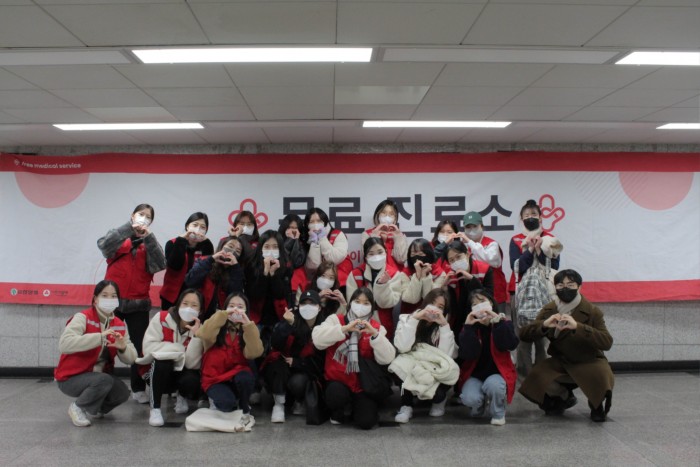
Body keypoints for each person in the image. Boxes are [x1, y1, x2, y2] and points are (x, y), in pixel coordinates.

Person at [518, 270, 614, 422]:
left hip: (590, 360)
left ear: (579, 287)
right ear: (555, 287)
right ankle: (563, 396)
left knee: (601, 375)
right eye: (560, 285)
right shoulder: (549, 309)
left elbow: (607, 342)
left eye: (570, 285)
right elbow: (524, 334)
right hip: (561, 361)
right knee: (536, 375)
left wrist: (578, 327)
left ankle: (596, 404)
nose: (565, 288)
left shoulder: (592, 311)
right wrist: (544, 325)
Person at [96, 203, 165, 403]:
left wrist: (148, 238)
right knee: (106, 345)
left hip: (138, 303)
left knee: (138, 346)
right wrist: (128, 229)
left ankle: (138, 388)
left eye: (148, 217)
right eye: (141, 214)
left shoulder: (149, 242)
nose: (144, 218)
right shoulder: (119, 236)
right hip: (112, 302)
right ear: (133, 216)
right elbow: (103, 246)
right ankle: (103, 387)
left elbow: (160, 264)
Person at [55, 280, 138, 427]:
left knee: (122, 393)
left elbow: (132, 358)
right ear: (95, 299)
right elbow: (64, 344)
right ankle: (78, 407)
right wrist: (99, 338)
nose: (109, 299)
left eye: (113, 296)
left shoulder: (119, 324)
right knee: (104, 380)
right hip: (70, 378)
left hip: (98, 376)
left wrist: (123, 348)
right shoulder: (83, 317)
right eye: (104, 295)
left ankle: (96, 407)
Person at [312, 287, 396, 430]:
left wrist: (375, 335)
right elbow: (317, 340)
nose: (361, 306)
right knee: (336, 395)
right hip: (338, 380)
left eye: (366, 303)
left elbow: (387, 358)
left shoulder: (376, 327)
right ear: (350, 303)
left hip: (363, 384)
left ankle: (356, 408)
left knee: (366, 422)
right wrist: (344, 329)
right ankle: (338, 410)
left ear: (371, 307)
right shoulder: (336, 319)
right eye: (357, 301)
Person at [508, 199, 563, 380]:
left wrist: (540, 250)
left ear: (540, 217)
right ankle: (524, 378)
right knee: (523, 335)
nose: (530, 217)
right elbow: (517, 267)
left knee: (543, 335)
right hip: (520, 292)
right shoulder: (516, 240)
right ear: (521, 219)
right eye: (526, 215)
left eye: (534, 214)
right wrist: (530, 249)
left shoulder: (550, 239)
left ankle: (543, 377)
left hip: (545, 291)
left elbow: (554, 266)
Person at [137, 289, 205, 427]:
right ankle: (155, 409)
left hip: (181, 371)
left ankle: (182, 395)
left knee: (192, 380)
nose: (188, 308)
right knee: (163, 362)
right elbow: (149, 348)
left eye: (194, 305)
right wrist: (179, 349)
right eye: (185, 303)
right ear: (178, 304)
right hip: (155, 371)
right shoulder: (161, 318)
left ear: (200, 311)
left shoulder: (200, 328)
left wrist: (196, 337)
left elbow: (191, 364)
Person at [392, 289, 458, 423]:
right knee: (399, 367)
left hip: (433, 368)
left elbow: (446, 357)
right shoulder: (407, 319)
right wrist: (415, 319)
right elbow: (402, 347)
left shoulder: (443, 326)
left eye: (440, 307)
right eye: (432, 303)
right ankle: (406, 405)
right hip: (412, 365)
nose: (435, 309)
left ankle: (439, 401)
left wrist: (444, 325)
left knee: (439, 393)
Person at [262, 290, 329, 423]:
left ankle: (299, 400)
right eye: (304, 303)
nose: (308, 307)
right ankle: (279, 404)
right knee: (278, 366)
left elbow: (320, 362)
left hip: (305, 370)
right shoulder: (291, 319)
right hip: (283, 365)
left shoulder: (324, 326)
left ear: (319, 307)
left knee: (298, 382)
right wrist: (288, 324)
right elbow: (276, 343)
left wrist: (298, 362)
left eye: (312, 303)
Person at [197, 292, 264, 417]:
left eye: (240, 307)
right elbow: (204, 335)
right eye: (231, 306)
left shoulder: (248, 328)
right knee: (226, 404)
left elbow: (254, 353)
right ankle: (217, 400)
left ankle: (243, 405)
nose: (235, 310)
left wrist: (248, 325)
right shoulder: (216, 325)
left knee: (246, 378)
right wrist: (222, 315)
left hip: (236, 376)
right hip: (215, 379)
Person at [458, 290, 518, 426]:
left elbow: (510, 344)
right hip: (475, 375)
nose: (479, 306)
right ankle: (479, 406)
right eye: (474, 304)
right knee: (469, 398)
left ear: (491, 302)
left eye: (482, 301)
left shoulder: (503, 322)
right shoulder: (470, 327)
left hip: (498, 374)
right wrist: (468, 328)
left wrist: (498, 323)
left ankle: (498, 412)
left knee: (494, 386)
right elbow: (468, 354)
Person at [346, 237, 408, 340]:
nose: (376, 257)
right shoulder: (355, 274)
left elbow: (388, 303)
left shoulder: (394, 273)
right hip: (358, 325)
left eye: (380, 252)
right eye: (371, 254)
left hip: (383, 325)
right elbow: (351, 303)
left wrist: (382, 285)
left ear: (386, 252)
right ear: (365, 256)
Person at [160, 212, 214, 310]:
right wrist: (181, 240)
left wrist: (207, 242)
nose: (198, 229)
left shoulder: (206, 246)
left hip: (195, 297)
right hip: (172, 295)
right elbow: (175, 266)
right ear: (187, 226)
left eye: (202, 227)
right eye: (195, 225)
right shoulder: (173, 243)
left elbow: (206, 270)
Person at [184, 236, 245, 322]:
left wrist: (235, 267)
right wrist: (211, 260)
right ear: (222, 246)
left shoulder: (237, 270)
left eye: (238, 251)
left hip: (221, 317)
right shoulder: (205, 260)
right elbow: (190, 281)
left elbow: (236, 295)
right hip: (199, 312)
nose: (233, 251)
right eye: (230, 246)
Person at [442, 240, 494, 334]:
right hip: (459, 321)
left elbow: (489, 296)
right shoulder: (450, 276)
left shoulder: (484, 269)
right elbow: (451, 306)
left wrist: (472, 279)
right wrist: (444, 287)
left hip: (483, 317)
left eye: (458, 257)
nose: (456, 262)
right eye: (452, 260)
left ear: (467, 254)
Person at [462, 211, 508, 313]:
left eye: (475, 226)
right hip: (473, 298)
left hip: (495, 295)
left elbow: (490, 260)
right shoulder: (464, 247)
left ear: (482, 226)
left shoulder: (492, 244)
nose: (471, 230)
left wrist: (469, 242)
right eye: (468, 227)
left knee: (497, 321)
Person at [303, 207, 354, 287]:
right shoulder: (308, 239)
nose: (315, 224)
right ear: (307, 225)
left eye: (319, 221)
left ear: (325, 221)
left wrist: (322, 238)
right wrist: (314, 242)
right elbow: (312, 267)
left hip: (339, 279)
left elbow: (334, 259)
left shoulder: (338, 234)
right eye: (311, 222)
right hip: (318, 280)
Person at [400, 238, 448, 315]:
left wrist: (425, 276)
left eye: (420, 254)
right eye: (413, 254)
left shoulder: (439, 273)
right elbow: (410, 299)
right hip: (409, 315)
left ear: (429, 254)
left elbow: (431, 300)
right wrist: (417, 275)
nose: (417, 257)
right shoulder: (405, 273)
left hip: (432, 314)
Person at [361, 199, 409, 265]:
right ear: (377, 215)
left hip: (396, 271)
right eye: (383, 212)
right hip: (375, 270)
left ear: (395, 218)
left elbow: (401, 259)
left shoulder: (401, 235)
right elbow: (367, 257)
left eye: (391, 214)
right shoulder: (367, 234)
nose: (387, 216)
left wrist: (398, 238)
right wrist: (374, 237)